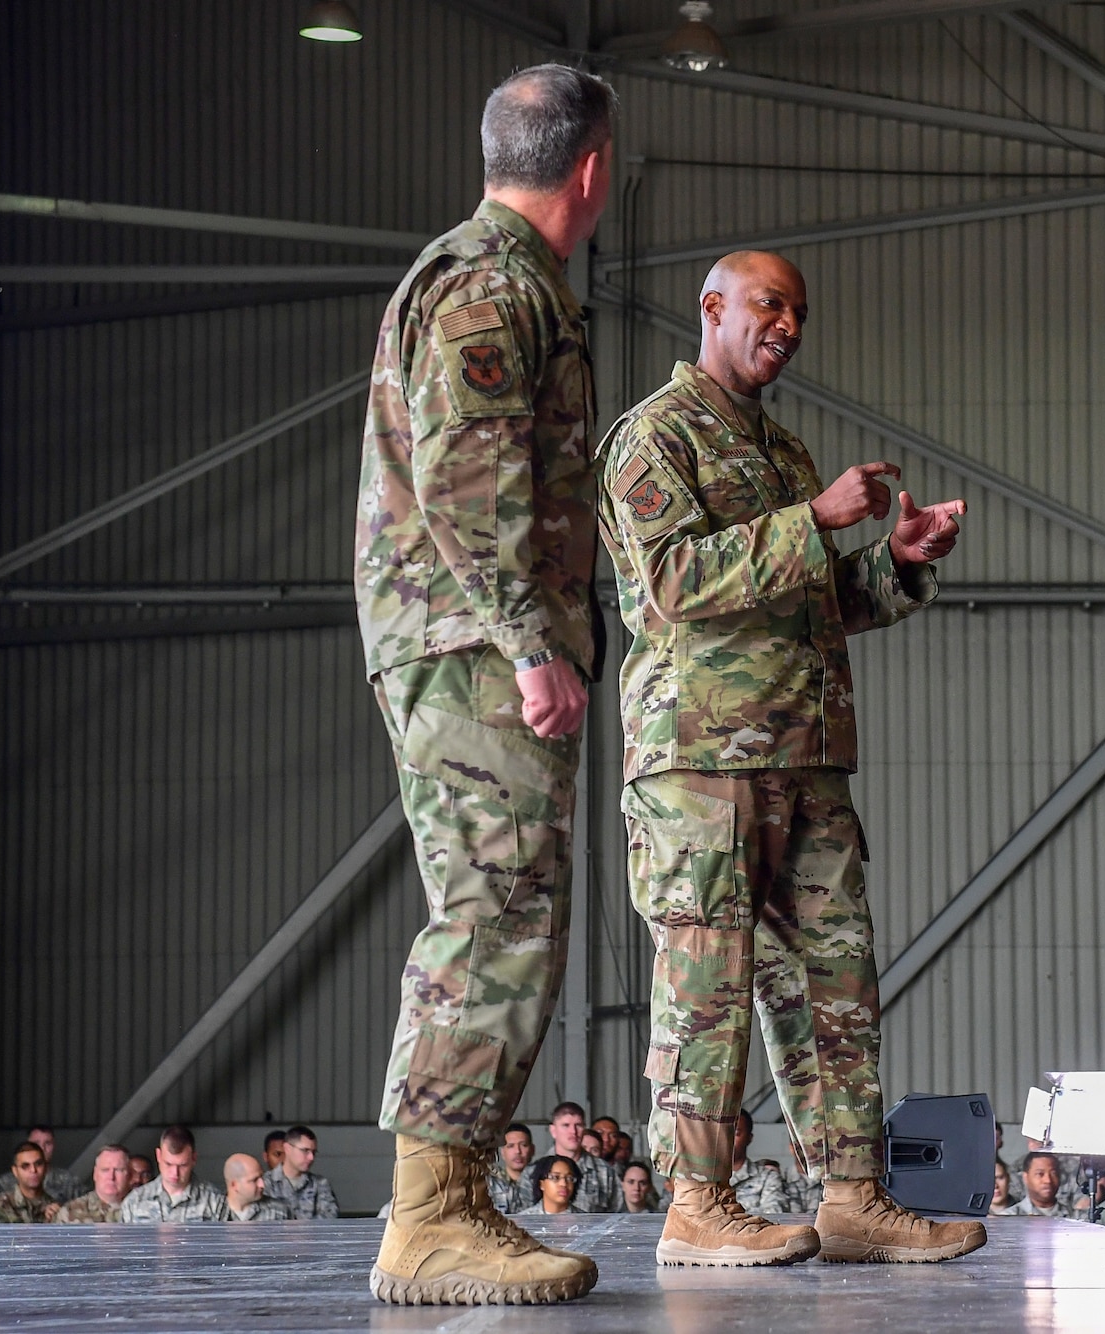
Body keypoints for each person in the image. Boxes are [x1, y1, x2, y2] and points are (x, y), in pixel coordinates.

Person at [595, 248, 976, 1271]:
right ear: (711, 307)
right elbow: (671, 581)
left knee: (835, 977)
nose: (787, 326)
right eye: (769, 305)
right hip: (701, 761)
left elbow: (816, 604)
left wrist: (895, 563)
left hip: (806, 760)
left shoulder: (785, 452)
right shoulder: (652, 437)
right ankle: (697, 1199)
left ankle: (851, 1193)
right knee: (708, 979)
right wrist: (811, 521)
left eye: (798, 312)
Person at [359, 61, 615, 1309]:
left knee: (506, 910)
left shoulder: (507, 284)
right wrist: (528, 641)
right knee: (493, 913)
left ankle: (450, 1195)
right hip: (471, 650)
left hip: (472, 642)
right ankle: (428, 1218)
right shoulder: (486, 285)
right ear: (592, 170)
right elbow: (468, 484)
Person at [523, 1103, 620, 1214]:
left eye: (578, 1125)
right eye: (566, 1125)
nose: (573, 1132)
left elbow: (619, 1217)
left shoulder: (605, 1172)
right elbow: (520, 1221)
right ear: (553, 1130)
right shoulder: (533, 1172)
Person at [119, 1126, 229, 1223]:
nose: (175, 1173)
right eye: (168, 1164)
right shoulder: (135, 1201)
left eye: (182, 1165)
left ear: (194, 1159)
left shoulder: (214, 1201)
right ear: (158, 1156)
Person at [0, 1125, 85, 1205]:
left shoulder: (69, 1181)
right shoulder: (6, 1182)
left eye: (48, 1143)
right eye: (36, 1143)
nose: (42, 1148)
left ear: (54, 1146)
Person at [261, 1125, 337, 1220]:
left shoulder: (320, 1184)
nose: (311, 1158)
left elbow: (330, 1217)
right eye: (305, 1151)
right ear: (287, 1148)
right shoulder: (265, 1183)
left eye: (313, 1152)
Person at [726, 1110, 789, 1216]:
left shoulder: (767, 1177)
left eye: (736, 1133)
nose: (728, 1139)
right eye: (724, 1133)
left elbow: (774, 1217)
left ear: (749, 1138)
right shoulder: (705, 1178)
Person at [0, 1141, 62, 1223]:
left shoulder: (55, 1208)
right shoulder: (0, 1206)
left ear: (46, 1167)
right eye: (25, 1166)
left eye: (38, 1164)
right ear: (15, 1171)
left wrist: (54, 1221)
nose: (33, 1170)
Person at [55, 1145, 134, 1224]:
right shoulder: (69, 1212)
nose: (111, 1177)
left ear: (129, 1175)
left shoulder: (140, 1208)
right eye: (105, 1170)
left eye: (118, 1170)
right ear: (95, 1174)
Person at [226, 1154, 290, 1222]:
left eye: (261, 1177)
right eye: (254, 1180)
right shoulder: (216, 1213)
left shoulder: (279, 1212)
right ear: (234, 1185)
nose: (262, 1184)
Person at [489, 1124, 536, 1217]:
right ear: (502, 1152)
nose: (517, 1151)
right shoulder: (491, 1183)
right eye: (510, 1146)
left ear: (532, 1150)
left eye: (523, 1145)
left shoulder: (544, 1181)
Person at [1011, 1153, 1073, 1218]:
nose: (1048, 1180)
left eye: (1053, 1173)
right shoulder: (1008, 1218)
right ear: (1025, 1177)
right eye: (1040, 1174)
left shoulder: (1075, 1216)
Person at [518, 1156, 584, 1216]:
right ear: (541, 1184)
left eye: (569, 1178)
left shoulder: (586, 1221)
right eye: (555, 1177)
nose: (564, 1184)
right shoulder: (524, 1220)